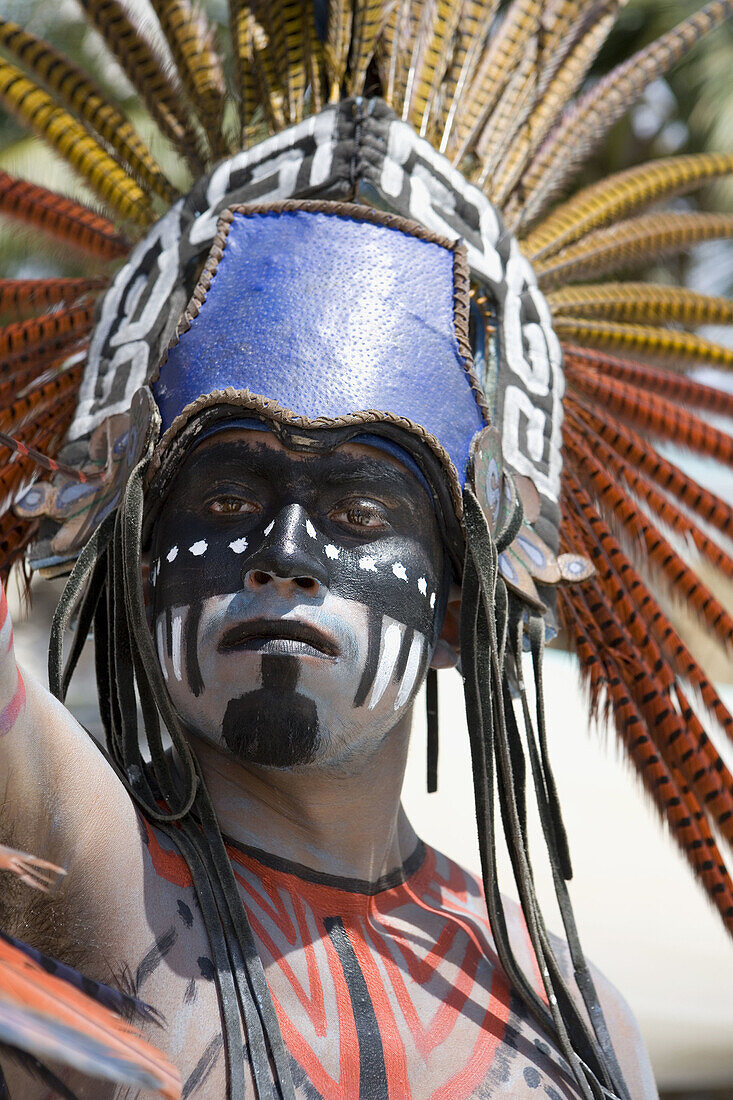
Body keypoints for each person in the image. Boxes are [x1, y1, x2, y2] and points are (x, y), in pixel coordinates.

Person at [0, 3, 731, 1098]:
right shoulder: (93, 888)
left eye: (356, 512)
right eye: (232, 490)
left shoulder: (579, 1018)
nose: (280, 551)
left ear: (455, 609)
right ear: (138, 560)